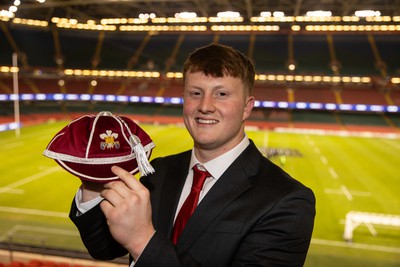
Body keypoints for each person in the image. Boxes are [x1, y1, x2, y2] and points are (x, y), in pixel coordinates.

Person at [69, 43, 316, 266]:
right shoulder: (159, 172)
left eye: (221, 94)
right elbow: (103, 247)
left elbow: (139, 242)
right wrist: (91, 180)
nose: (205, 106)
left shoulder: (287, 201)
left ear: (247, 107)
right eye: (195, 93)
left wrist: (142, 240)